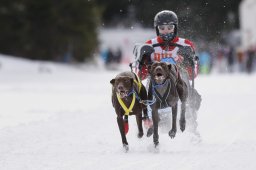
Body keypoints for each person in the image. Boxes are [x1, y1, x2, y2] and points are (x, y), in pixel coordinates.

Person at [133, 10, 201, 135]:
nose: (166, 31)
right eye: (162, 28)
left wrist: (187, 61)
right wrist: (143, 62)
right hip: (156, 84)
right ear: (157, 29)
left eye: (170, 27)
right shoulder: (150, 45)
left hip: (179, 81)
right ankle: (150, 126)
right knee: (144, 98)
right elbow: (140, 75)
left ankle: (191, 130)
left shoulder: (185, 44)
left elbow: (194, 73)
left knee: (191, 97)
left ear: (175, 27)